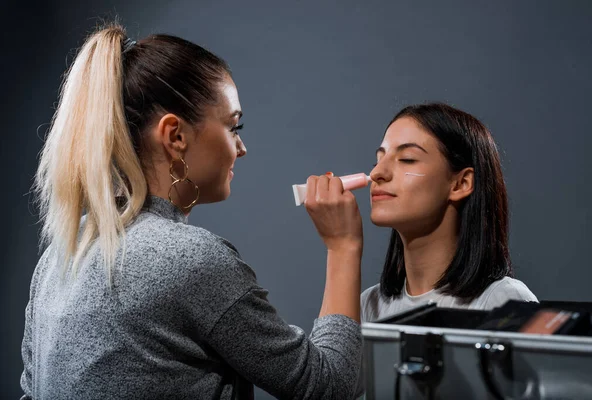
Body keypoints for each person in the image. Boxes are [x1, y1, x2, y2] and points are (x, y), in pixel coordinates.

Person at [21, 24, 364, 399]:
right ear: (175, 136)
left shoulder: (62, 252)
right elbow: (328, 387)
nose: (241, 147)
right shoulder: (191, 260)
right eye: (233, 126)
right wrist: (342, 246)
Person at [361, 103, 537, 323]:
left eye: (407, 159)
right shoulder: (368, 306)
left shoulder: (503, 302)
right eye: (379, 159)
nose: (377, 173)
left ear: (461, 183)